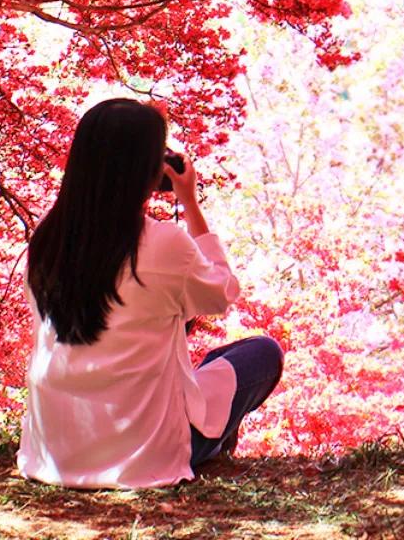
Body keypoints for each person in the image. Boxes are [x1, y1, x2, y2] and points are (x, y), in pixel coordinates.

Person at [17, 98, 283, 488]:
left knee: (192, 348)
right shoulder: (163, 244)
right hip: (145, 456)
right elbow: (222, 294)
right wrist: (189, 203)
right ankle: (212, 444)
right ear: (146, 170)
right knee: (262, 353)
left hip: (54, 456)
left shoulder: (46, 238)